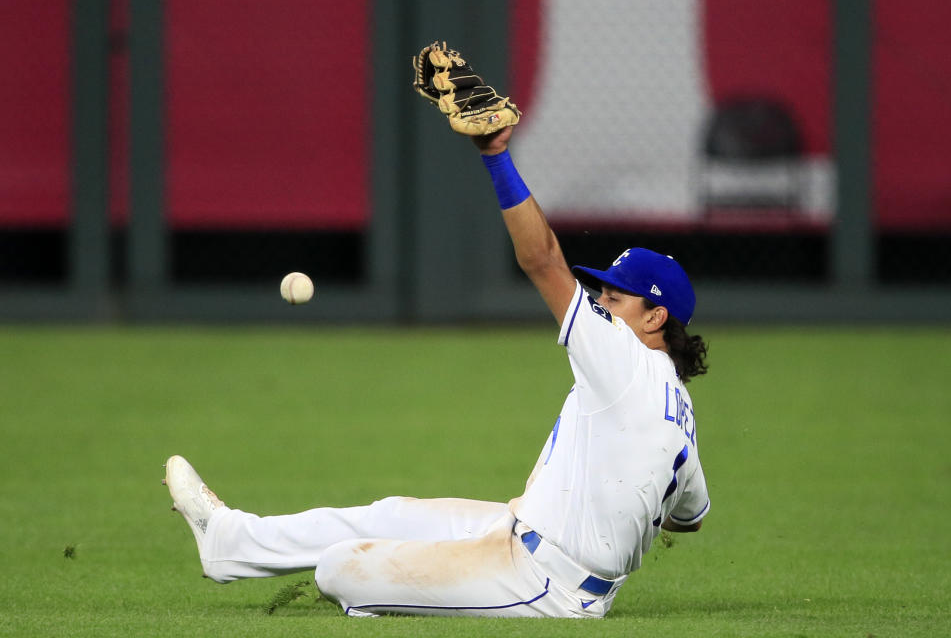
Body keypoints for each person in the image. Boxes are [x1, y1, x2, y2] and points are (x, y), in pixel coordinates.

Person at [163, 125, 710, 619]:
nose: (600, 304)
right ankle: (230, 540)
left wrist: (497, 156)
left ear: (655, 316)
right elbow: (691, 517)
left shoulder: (625, 357)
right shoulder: (675, 404)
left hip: (546, 584)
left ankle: (399, 597)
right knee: (392, 514)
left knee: (339, 569)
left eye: (614, 297)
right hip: (521, 530)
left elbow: (543, 261)